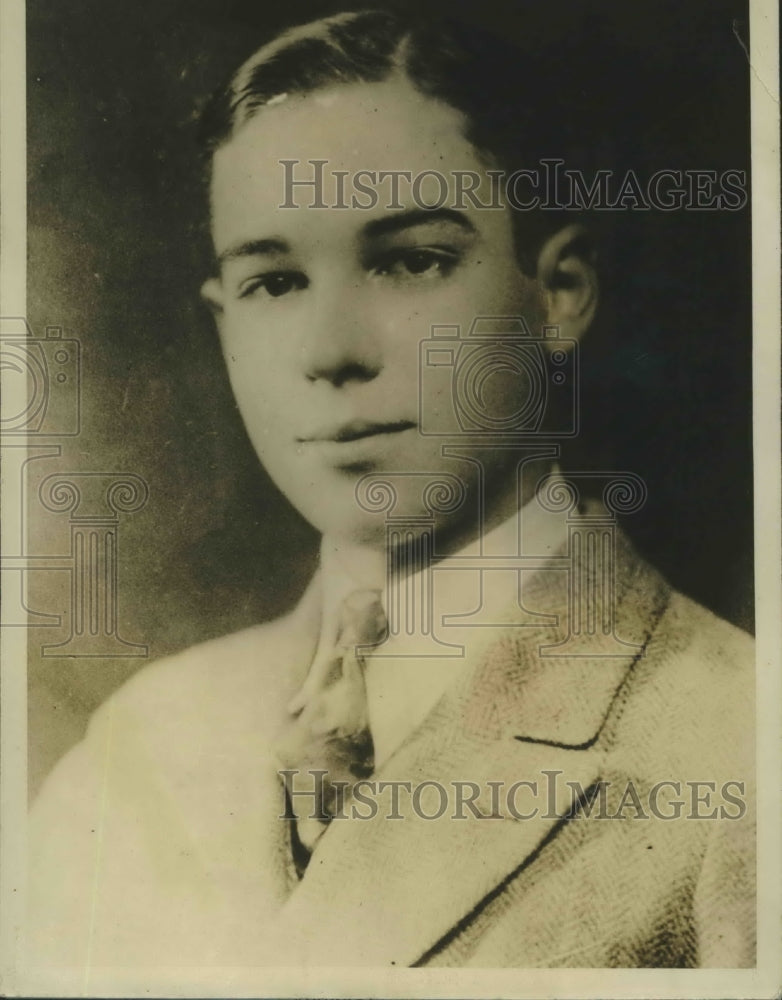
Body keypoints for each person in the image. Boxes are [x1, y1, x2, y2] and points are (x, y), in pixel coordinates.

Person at [26, 8, 754, 985]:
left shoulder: (736, 747)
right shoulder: (136, 747)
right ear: (223, 321)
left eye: (410, 260)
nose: (331, 352)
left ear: (558, 292)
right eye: (274, 282)